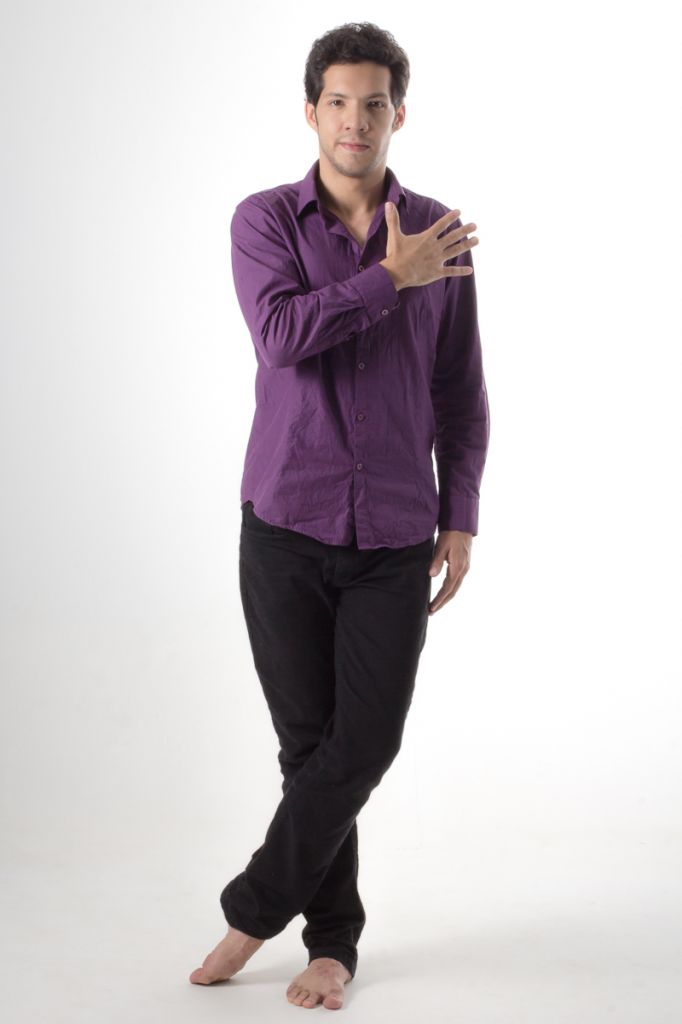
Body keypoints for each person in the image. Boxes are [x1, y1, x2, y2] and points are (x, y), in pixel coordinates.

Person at [189, 20, 490, 1011]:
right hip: (284, 524)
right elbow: (280, 336)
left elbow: (460, 389)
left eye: (374, 103)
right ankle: (331, 947)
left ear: (399, 115)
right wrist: (387, 280)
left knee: (361, 744)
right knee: (309, 748)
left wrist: (461, 514)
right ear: (311, 111)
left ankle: (251, 911)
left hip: (395, 534)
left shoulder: (439, 234)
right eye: (338, 102)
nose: (356, 120)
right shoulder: (265, 220)